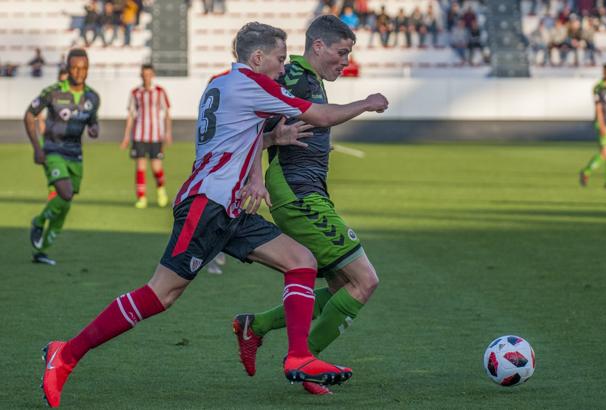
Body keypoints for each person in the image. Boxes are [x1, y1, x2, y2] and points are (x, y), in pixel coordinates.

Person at [40, 22, 388, 408]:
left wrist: (272, 140)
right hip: (208, 204)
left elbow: (238, 133)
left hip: (232, 207)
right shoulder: (255, 85)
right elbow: (319, 116)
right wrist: (366, 102)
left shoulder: (221, 83)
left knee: (301, 261)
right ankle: (66, 353)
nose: (282, 67)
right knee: (161, 293)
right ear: (257, 58)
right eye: (278, 59)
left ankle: (298, 356)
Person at [232, 15, 380, 396]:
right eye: (341, 52)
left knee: (342, 283)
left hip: (305, 190)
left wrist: (269, 146)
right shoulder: (295, 76)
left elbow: (265, 126)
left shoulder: (306, 79)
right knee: (365, 281)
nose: (345, 61)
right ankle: (304, 361)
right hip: (298, 192)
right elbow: (252, 123)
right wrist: (367, 102)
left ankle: (257, 325)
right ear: (318, 46)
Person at [26, 49, 100, 266]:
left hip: (75, 155)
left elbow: (92, 121)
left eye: (83, 68)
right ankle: (38, 222)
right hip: (53, 150)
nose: (79, 72)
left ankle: (42, 250)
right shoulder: (53, 92)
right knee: (65, 193)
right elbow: (29, 115)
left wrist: (94, 128)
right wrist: (37, 148)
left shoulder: (92, 97)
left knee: (65, 204)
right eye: (75, 67)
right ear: (67, 68)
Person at [121, 64, 172, 208]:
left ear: (153, 75)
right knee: (140, 167)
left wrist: (168, 132)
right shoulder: (135, 92)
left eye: (149, 74)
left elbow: (167, 113)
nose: (146, 77)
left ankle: (161, 190)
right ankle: (141, 198)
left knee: (156, 167)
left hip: (156, 135)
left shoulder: (160, 91)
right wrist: (126, 136)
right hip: (139, 135)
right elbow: (131, 114)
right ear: (141, 75)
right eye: (144, 74)